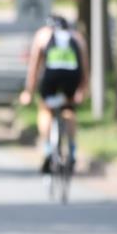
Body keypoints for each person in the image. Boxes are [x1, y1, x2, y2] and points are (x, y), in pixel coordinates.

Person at [19, 14, 88, 173]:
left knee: (45, 108)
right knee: (69, 109)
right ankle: (71, 149)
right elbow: (85, 68)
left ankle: (49, 148)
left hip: (52, 76)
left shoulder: (43, 34)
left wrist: (28, 91)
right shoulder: (76, 37)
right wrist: (82, 90)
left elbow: (34, 66)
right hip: (72, 76)